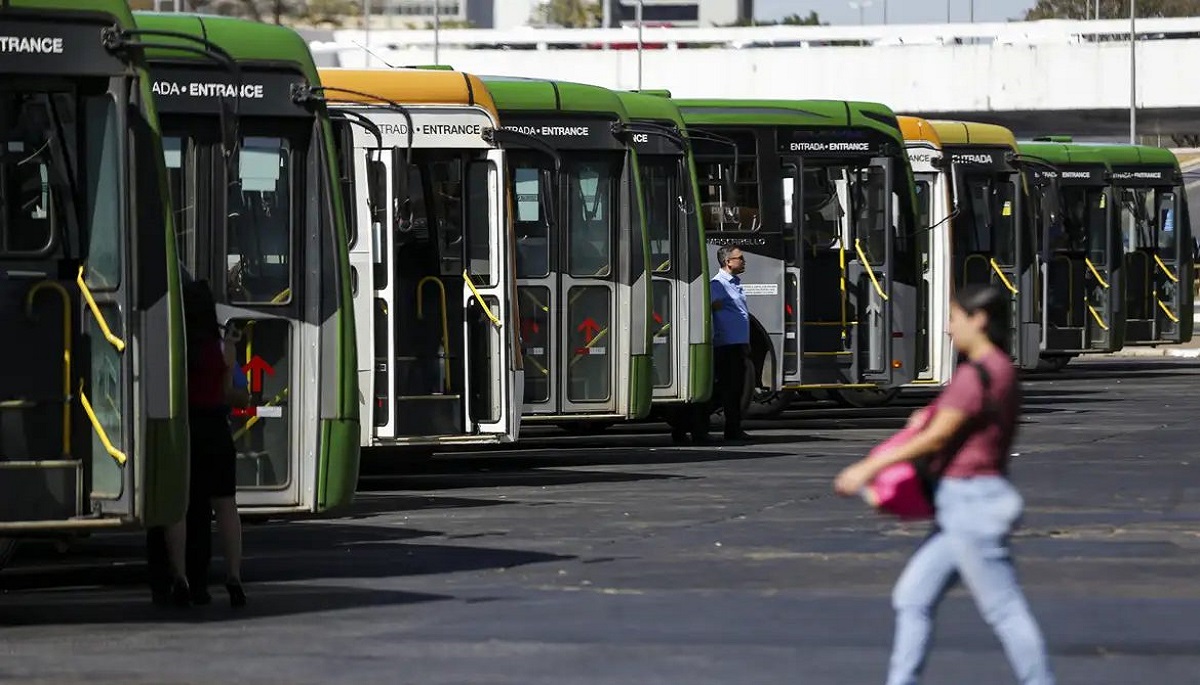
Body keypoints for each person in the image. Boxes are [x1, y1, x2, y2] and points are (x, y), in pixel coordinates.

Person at [833, 284, 1054, 685]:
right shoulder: (1001, 368)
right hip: (963, 504)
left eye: (953, 318)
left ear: (978, 320)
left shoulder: (977, 374)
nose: (949, 329)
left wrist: (868, 467)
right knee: (912, 597)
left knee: (1003, 609)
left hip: (972, 503)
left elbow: (937, 437)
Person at [181, 280, 249, 607]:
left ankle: (187, 579)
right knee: (226, 505)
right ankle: (234, 573)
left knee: (187, 509)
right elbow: (236, 394)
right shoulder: (222, 348)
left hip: (186, 430)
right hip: (217, 431)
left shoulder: (176, 345)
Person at [707, 244, 752, 442]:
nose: (743, 261)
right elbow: (709, 306)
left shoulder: (734, 283)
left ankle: (733, 428)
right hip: (726, 346)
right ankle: (725, 428)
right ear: (728, 262)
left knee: (736, 389)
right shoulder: (718, 285)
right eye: (740, 258)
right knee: (728, 390)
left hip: (738, 344)